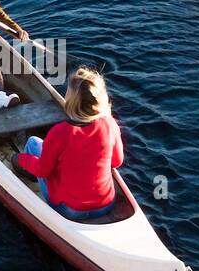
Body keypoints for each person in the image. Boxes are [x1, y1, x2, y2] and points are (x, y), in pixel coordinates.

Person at [16, 67, 123, 220]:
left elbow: (42, 171)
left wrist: (21, 158)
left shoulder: (60, 132)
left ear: (71, 100)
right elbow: (117, 161)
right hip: (106, 204)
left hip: (70, 210)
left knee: (33, 143)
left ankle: (25, 174)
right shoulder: (110, 124)